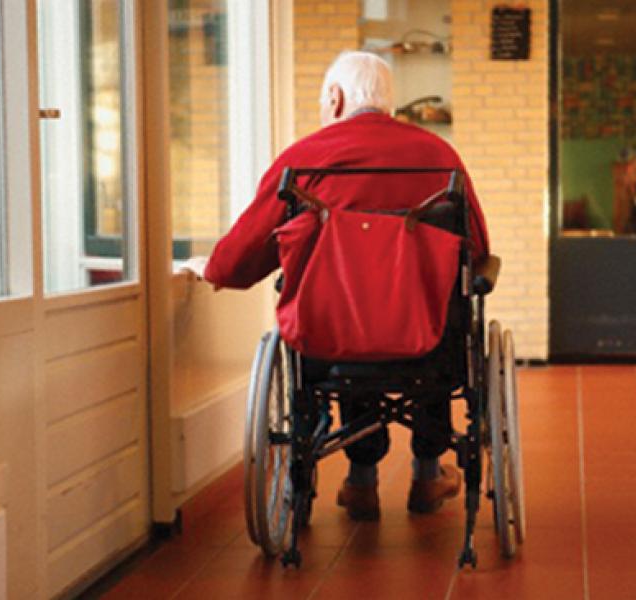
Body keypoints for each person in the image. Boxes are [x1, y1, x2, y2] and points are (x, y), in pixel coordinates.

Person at [203, 51, 489, 521]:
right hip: (428, 342)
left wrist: (215, 269)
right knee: (428, 303)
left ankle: (361, 482)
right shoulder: (439, 157)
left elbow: (244, 251)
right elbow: (475, 249)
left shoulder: (305, 159)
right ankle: (426, 470)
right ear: (389, 103)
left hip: (331, 343)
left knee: (348, 307)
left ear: (335, 98)